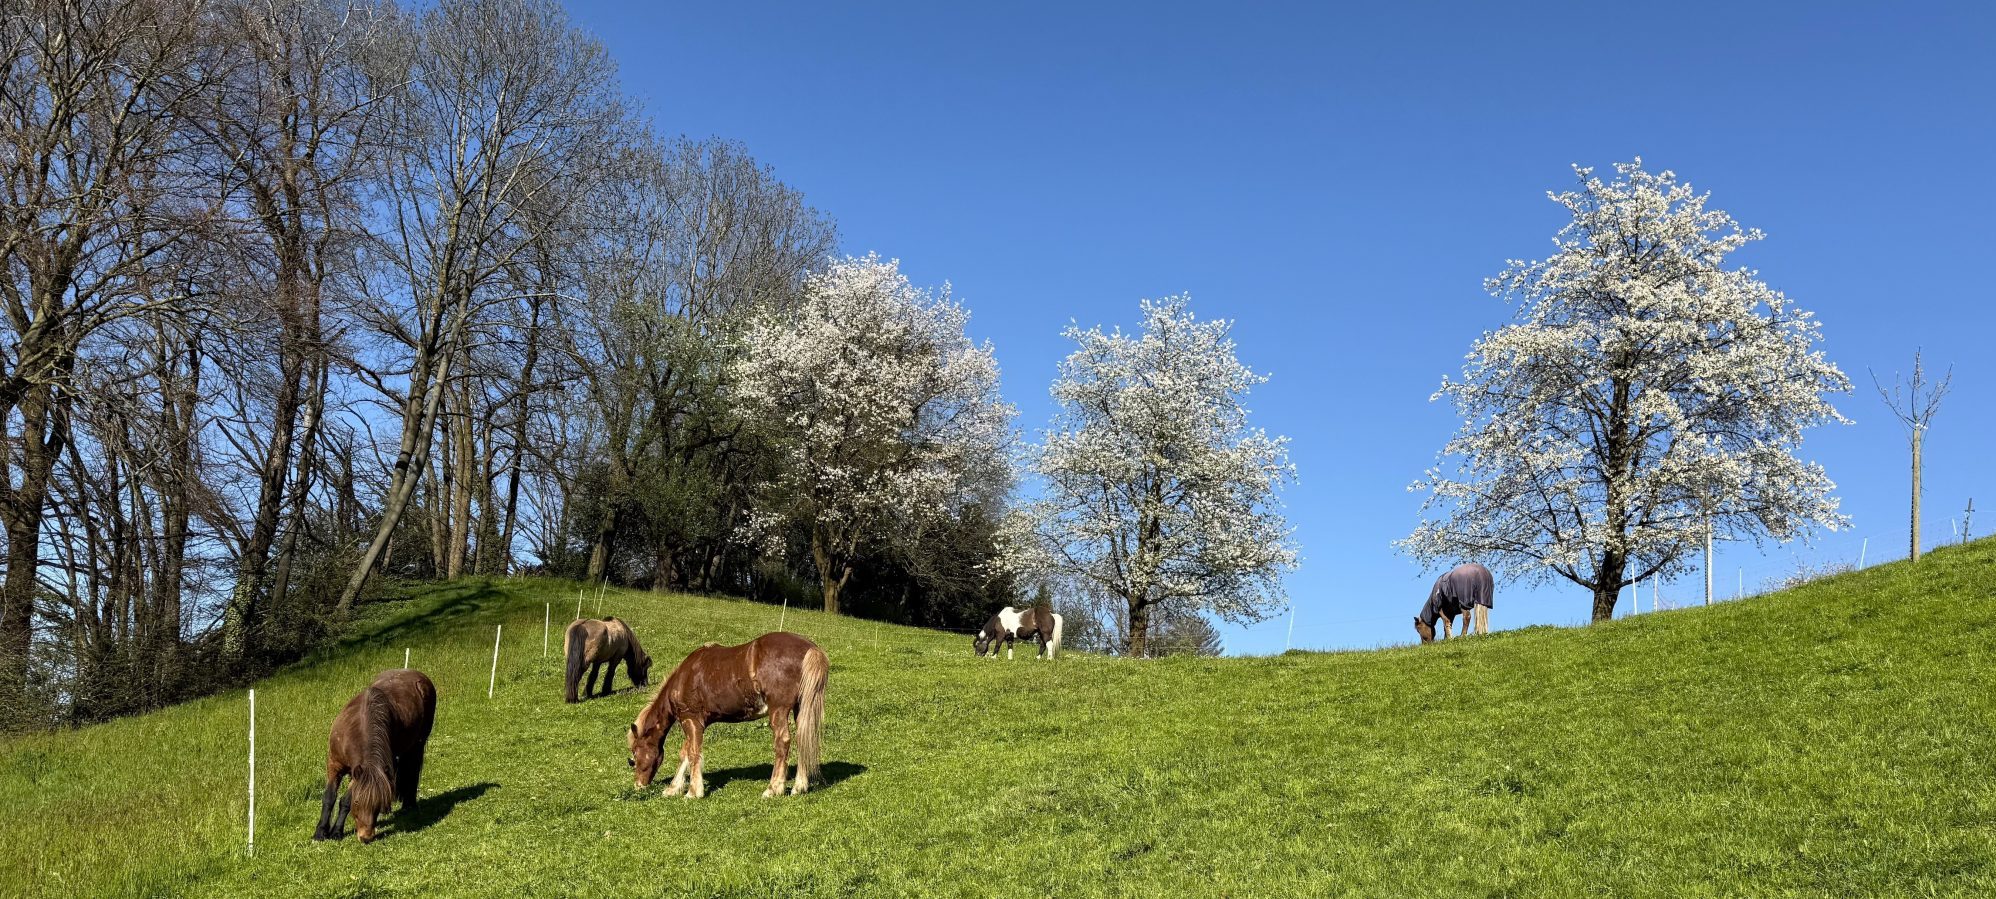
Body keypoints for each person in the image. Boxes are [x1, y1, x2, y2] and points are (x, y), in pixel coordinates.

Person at [1429, 562, 1493, 636]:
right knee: (1480, 604)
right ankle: (1481, 631)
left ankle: (1464, 634)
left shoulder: (1441, 583)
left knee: (1467, 610)